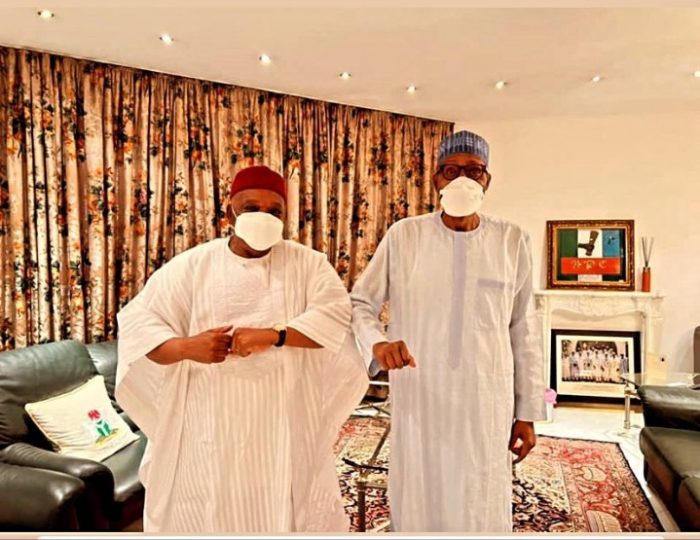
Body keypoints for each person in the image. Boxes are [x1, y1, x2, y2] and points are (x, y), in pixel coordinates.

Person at [115, 165, 368, 533]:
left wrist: (273, 335)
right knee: (204, 512)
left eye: (274, 211)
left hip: (283, 421)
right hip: (206, 425)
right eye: (251, 208)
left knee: (285, 505)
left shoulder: (308, 265)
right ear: (229, 212)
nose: (263, 218)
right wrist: (189, 347)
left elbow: (334, 320)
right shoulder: (191, 267)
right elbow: (140, 332)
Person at [350, 130, 546, 532]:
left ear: (487, 180)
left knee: (480, 491)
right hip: (421, 392)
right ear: (435, 178)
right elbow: (360, 302)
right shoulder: (405, 235)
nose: (462, 179)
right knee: (419, 488)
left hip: (486, 397)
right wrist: (377, 343)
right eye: (450, 170)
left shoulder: (512, 240)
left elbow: (525, 327)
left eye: (473, 171)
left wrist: (527, 413)